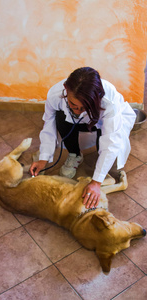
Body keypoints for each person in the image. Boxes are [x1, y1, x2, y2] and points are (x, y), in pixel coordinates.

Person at [29, 67, 136, 209]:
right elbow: (48, 124)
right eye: (73, 105)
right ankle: (74, 154)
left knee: (112, 159)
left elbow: (110, 141)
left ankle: (100, 169)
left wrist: (96, 182)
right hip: (73, 122)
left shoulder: (108, 100)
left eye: (84, 107)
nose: (77, 111)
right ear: (66, 89)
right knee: (59, 116)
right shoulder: (55, 94)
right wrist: (43, 157)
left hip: (101, 122)